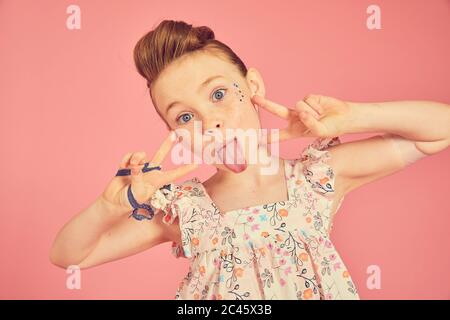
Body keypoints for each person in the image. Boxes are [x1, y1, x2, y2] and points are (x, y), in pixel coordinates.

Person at [50, 19, 450, 300]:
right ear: (175, 133)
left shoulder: (318, 178)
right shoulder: (186, 212)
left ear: (252, 85)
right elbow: (70, 256)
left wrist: (354, 116)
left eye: (219, 94)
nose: (212, 123)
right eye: (185, 117)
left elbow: (439, 129)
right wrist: (108, 206)